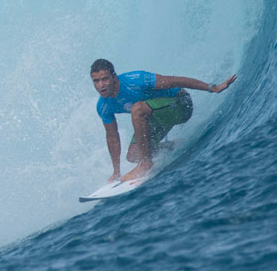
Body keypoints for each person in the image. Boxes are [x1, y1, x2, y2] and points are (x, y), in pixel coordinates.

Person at [90, 58, 237, 183]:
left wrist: (212, 87)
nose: (101, 85)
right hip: (156, 116)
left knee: (137, 109)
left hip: (180, 105)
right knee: (133, 155)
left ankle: (145, 163)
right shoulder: (103, 105)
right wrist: (116, 171)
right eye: (96, 81)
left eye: (105, 79)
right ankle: (171, 146)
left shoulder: (135, 80)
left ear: (114, 78)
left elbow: (175, 81)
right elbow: (112, 135)